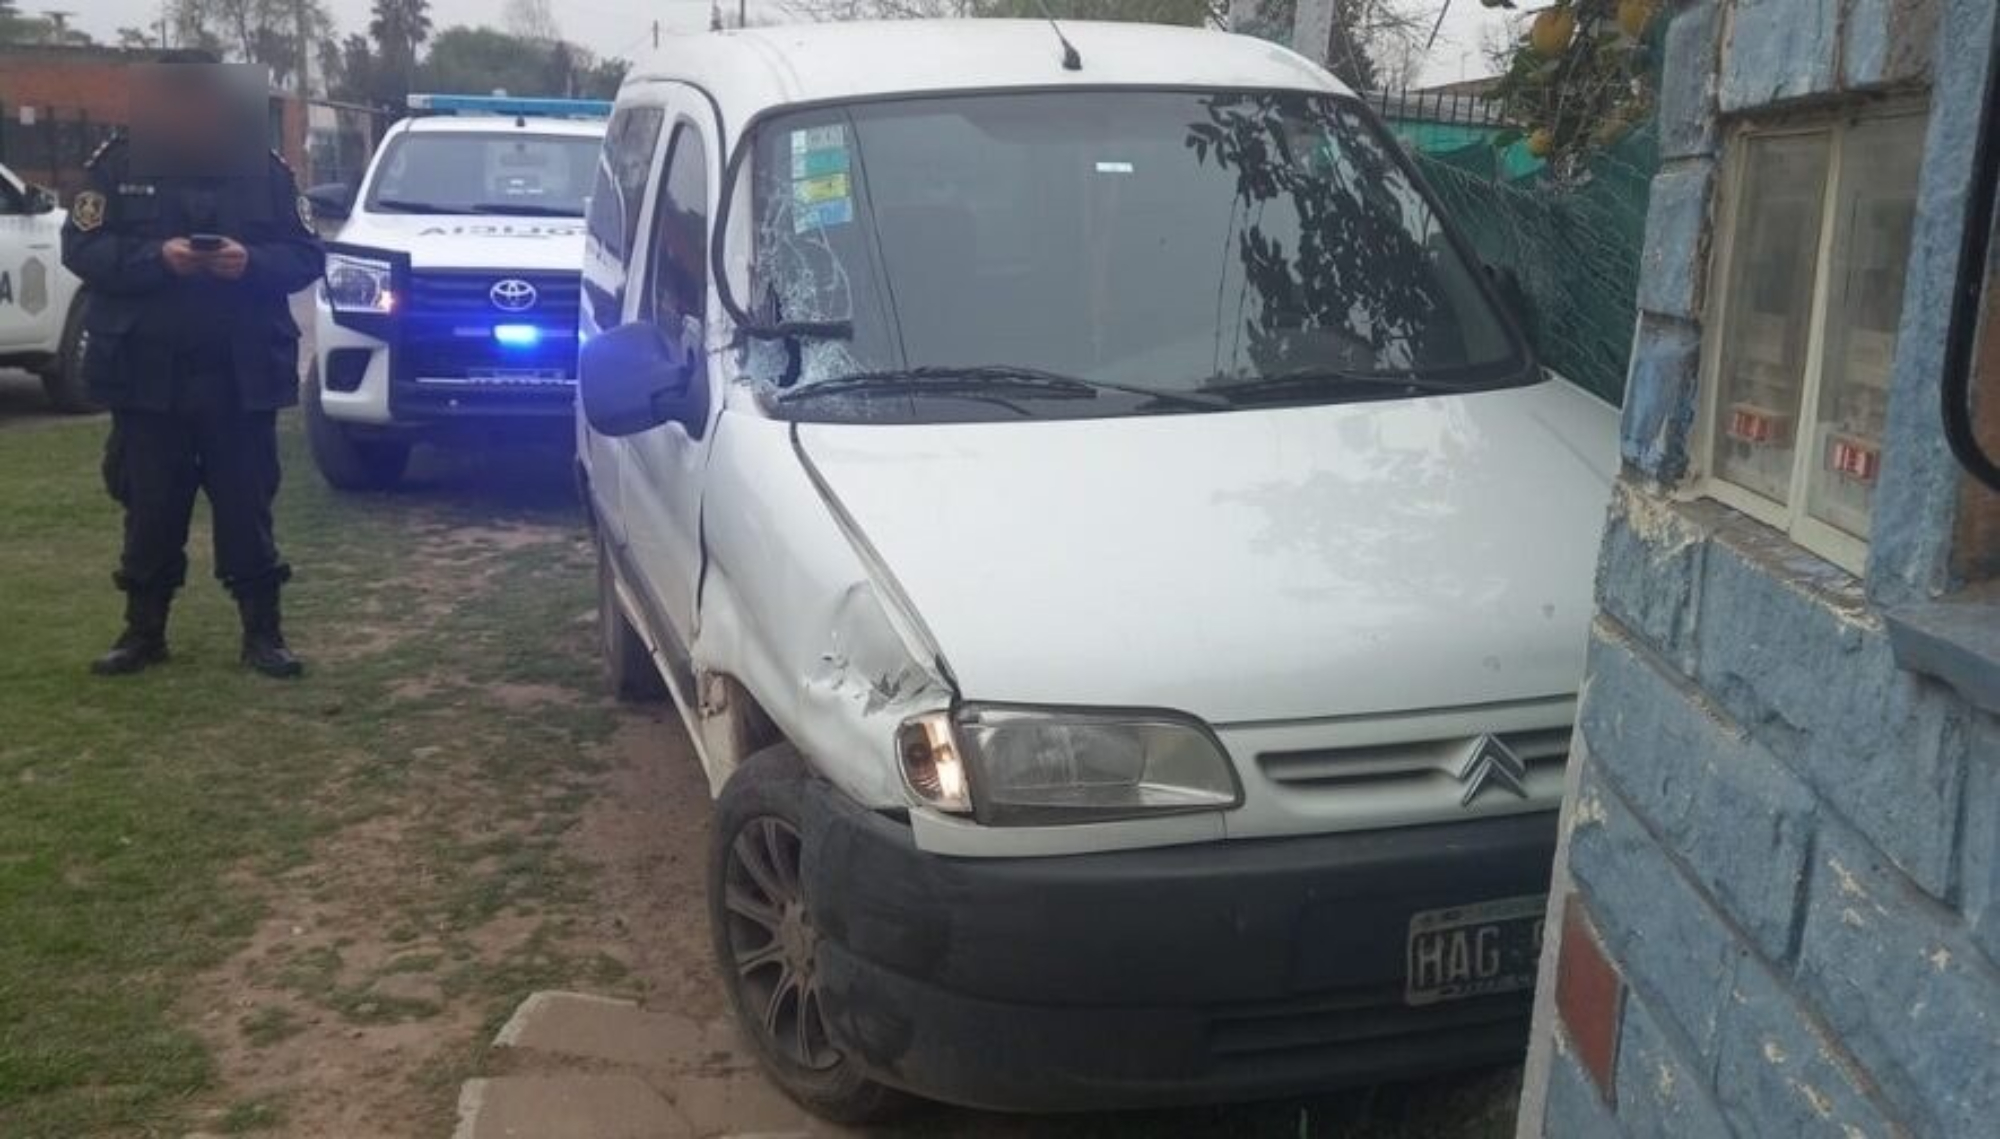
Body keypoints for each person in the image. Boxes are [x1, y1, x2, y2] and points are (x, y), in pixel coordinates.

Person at [60, 53, 324, 679]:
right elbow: (83, 246)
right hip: (150, 372)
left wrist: (250, 262)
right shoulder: (116, 166)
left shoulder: (263, 170)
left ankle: (264, 634)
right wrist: (159, 257)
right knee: (150, 504)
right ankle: (142, 632)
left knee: (246, 504)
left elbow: (304, 254)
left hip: (239, 373)